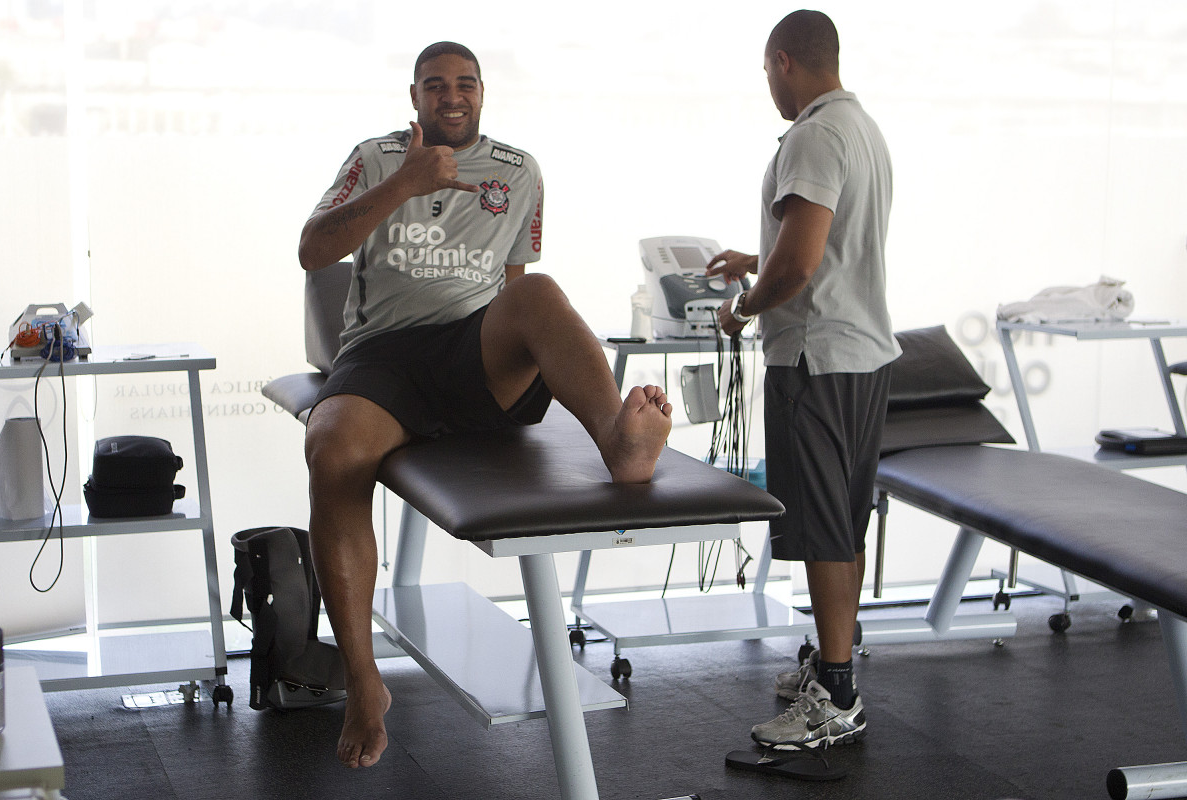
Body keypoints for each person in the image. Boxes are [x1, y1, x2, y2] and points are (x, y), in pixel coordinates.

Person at [298, 41, 673, 769]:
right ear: (414, 97)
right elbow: (314, 250)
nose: (452, 96)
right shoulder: (376, 157)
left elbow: (513, 276)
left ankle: (619, 442)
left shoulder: (518, 171)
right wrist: (405, 184)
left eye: (465, 84)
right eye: (435, 85)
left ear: (480, 93)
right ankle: (362, 678)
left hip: (474, 353)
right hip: (385, 355)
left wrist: (513, 350)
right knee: (332, 451)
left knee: (533, 292)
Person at [705, 11, 899, 750]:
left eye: (766, 73)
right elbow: (832, 246)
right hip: (862, 355)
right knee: (843, 520)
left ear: (783, 61)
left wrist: (740, 307)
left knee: (821, 527)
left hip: (815, 358)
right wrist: (751, 258)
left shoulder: (813, 135)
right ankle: (832, 662)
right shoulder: (862, 127)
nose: (769, 88)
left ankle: (836, 695)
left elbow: (801, 266)